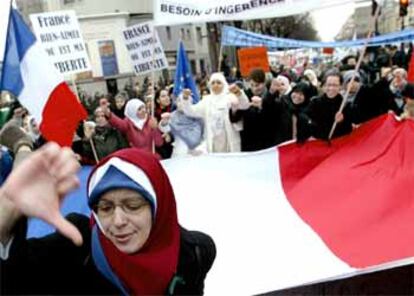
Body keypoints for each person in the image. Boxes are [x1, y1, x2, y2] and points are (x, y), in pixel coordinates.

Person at [0, 144, 216, 295]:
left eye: (132, 206)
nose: (118, 221)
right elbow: (14, 278)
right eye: (105, 208)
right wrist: (6, 210)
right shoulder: (78, 246)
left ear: (159, 205)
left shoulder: (195, 252)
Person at [101, 98, 166, 156]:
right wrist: (108, 113)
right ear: (133, 112)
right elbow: (118, 123)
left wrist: (155, 128)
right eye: (139, 109)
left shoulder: (150, 120)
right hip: (136, 157)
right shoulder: (128, 123)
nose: (143, 110)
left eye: (143, 107)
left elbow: (159, 143)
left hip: (152, 156)